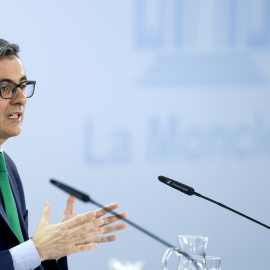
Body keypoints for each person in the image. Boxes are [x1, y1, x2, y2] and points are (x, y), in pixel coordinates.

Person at [0, 39, 128, 270]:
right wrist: (38, 249)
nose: (21, 99)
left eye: (23, 85)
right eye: (5, 88)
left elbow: (18, 259)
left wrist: (55, 248)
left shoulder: (7, 167)